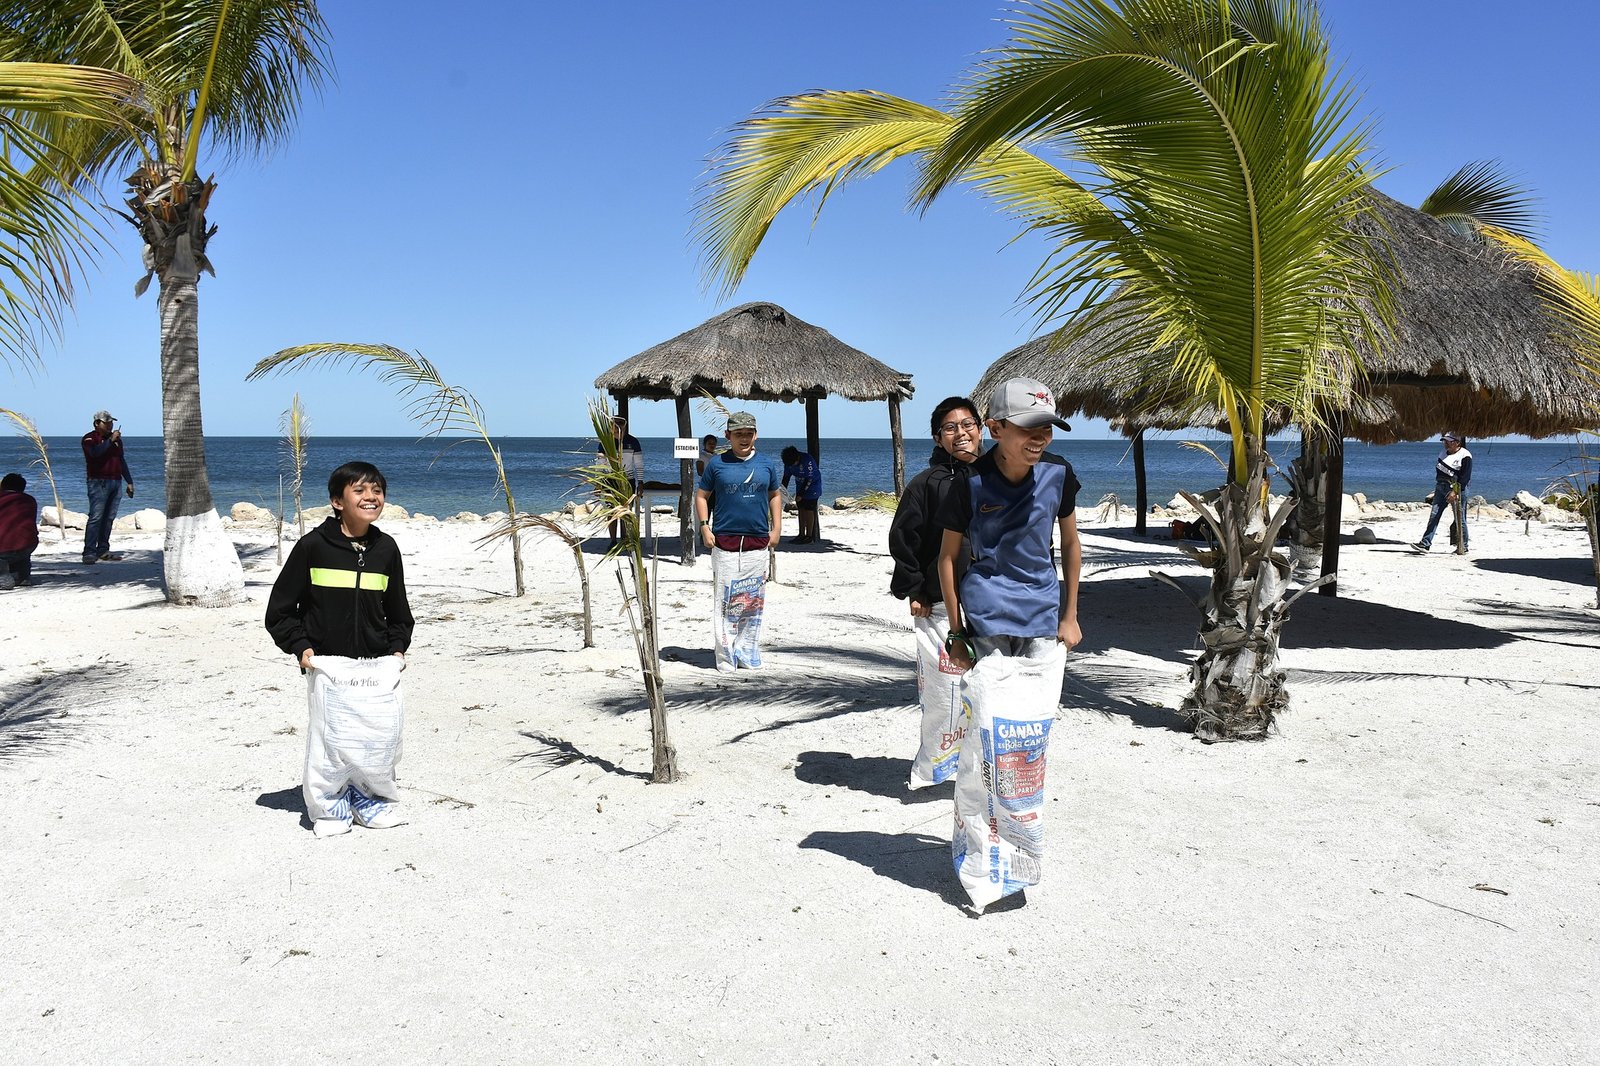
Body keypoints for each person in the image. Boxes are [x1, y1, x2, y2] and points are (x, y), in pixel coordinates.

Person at [935, 377, 1082, 912]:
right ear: (996, 428)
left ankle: (1018, 851)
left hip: (1042, 621)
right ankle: (980, 850)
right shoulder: (969, 484)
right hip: (987, 621)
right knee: (988, 741)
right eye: (1027, 427)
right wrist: (956, 631)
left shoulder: (1060, 474)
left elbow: (1070, 544)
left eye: (1047, 427)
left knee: (1027, 744)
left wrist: (1070, 615)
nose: (1039, 437)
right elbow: (948, 558)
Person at [265, 461, 415, 837]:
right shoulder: (313, 547)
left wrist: (397, 650)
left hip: (377, 663)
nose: (371, 497)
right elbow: (279, 611)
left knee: (379, 739)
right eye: (359, 490)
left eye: (377, 490)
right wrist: (302, 648)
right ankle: (330, 808)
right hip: (328, 664)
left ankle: (371, 801)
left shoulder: (386, 549)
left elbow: (399, 611)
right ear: (337, 501)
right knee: (332, 741)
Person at [887, 397, 983, 789]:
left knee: (987, 692)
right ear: (938, 437)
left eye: (968, 424)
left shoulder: (998, 476)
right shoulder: (926, 484)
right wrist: (914, 588)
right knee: (945, 695)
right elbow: (903, 538)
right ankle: (939, 769)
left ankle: (982, 769)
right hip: (941, 605)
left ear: (981, 428)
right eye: (950, 427)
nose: (961, 433)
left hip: (992, 602)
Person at [696, 410, 781, 672]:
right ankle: (725, 657)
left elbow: (775, 495)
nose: (744, 438)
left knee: (752, 603)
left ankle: (747, 654)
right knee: (726, 604)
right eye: (738, 434)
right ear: (728, 435)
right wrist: (704, 527)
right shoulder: (717, 464)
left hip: (758, 543)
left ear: (756, 435)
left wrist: (777, 528)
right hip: (725, 543)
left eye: (748, 433)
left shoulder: (766, 464)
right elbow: (701, 496)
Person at [80, 410, 134, 564]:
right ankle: (89, 551)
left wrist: (129, 481)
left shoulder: (116, 441)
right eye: (107, 422)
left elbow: (121, 460)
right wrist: (110, 440)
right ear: (97, 423)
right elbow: (94, 454)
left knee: (109, 517)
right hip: (98, 482)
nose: (110, 425)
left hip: (115, 481)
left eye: (111, 422)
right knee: (96, 517)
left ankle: (103, 549)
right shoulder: (90, 438)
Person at [1411, 432, 1473, 554]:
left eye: (1449, 441)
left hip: (1456, 489)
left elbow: (1465, 477)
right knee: (1434, 515)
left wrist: (1455, 492)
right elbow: (1440, 472)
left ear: (1457, 442)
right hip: (1441, 487)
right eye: (1445, 441)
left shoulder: (1465, 455)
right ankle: (1425, 543)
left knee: (1460, 518)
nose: (1446, 444)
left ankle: (1463, 545)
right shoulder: (1442, 453)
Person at [600, 416, 645, 544]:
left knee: (626, 511)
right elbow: (600, 463)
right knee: (611, 511)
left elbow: (639, 464)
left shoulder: (633, 441)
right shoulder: (605, 442)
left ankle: (627, 540)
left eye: (621, 422)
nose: (618, 425)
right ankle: (613, 540)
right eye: (615, 422)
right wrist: (598, 483)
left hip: (628, 480)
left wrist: (640, 482)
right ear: (611, 425)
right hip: (610, 480)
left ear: (625, 424)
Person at [0, 472, 39, 589]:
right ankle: (23, 576)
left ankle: (3, 576)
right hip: (28, 545)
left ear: (2, 486)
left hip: (3, 547)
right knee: (21, 539)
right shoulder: (30, 500)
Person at [779, 445, 823, 543]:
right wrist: (782, 491)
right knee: (801, 508)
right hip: (800, 485)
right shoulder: (788, 462)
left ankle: (809, 536)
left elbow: (809, 479)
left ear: (797, 457)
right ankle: (801, 534)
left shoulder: (808, 460)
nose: (792, 466)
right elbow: (786, 477)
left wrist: (801, 494)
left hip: (813, 486)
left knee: (809, 509)